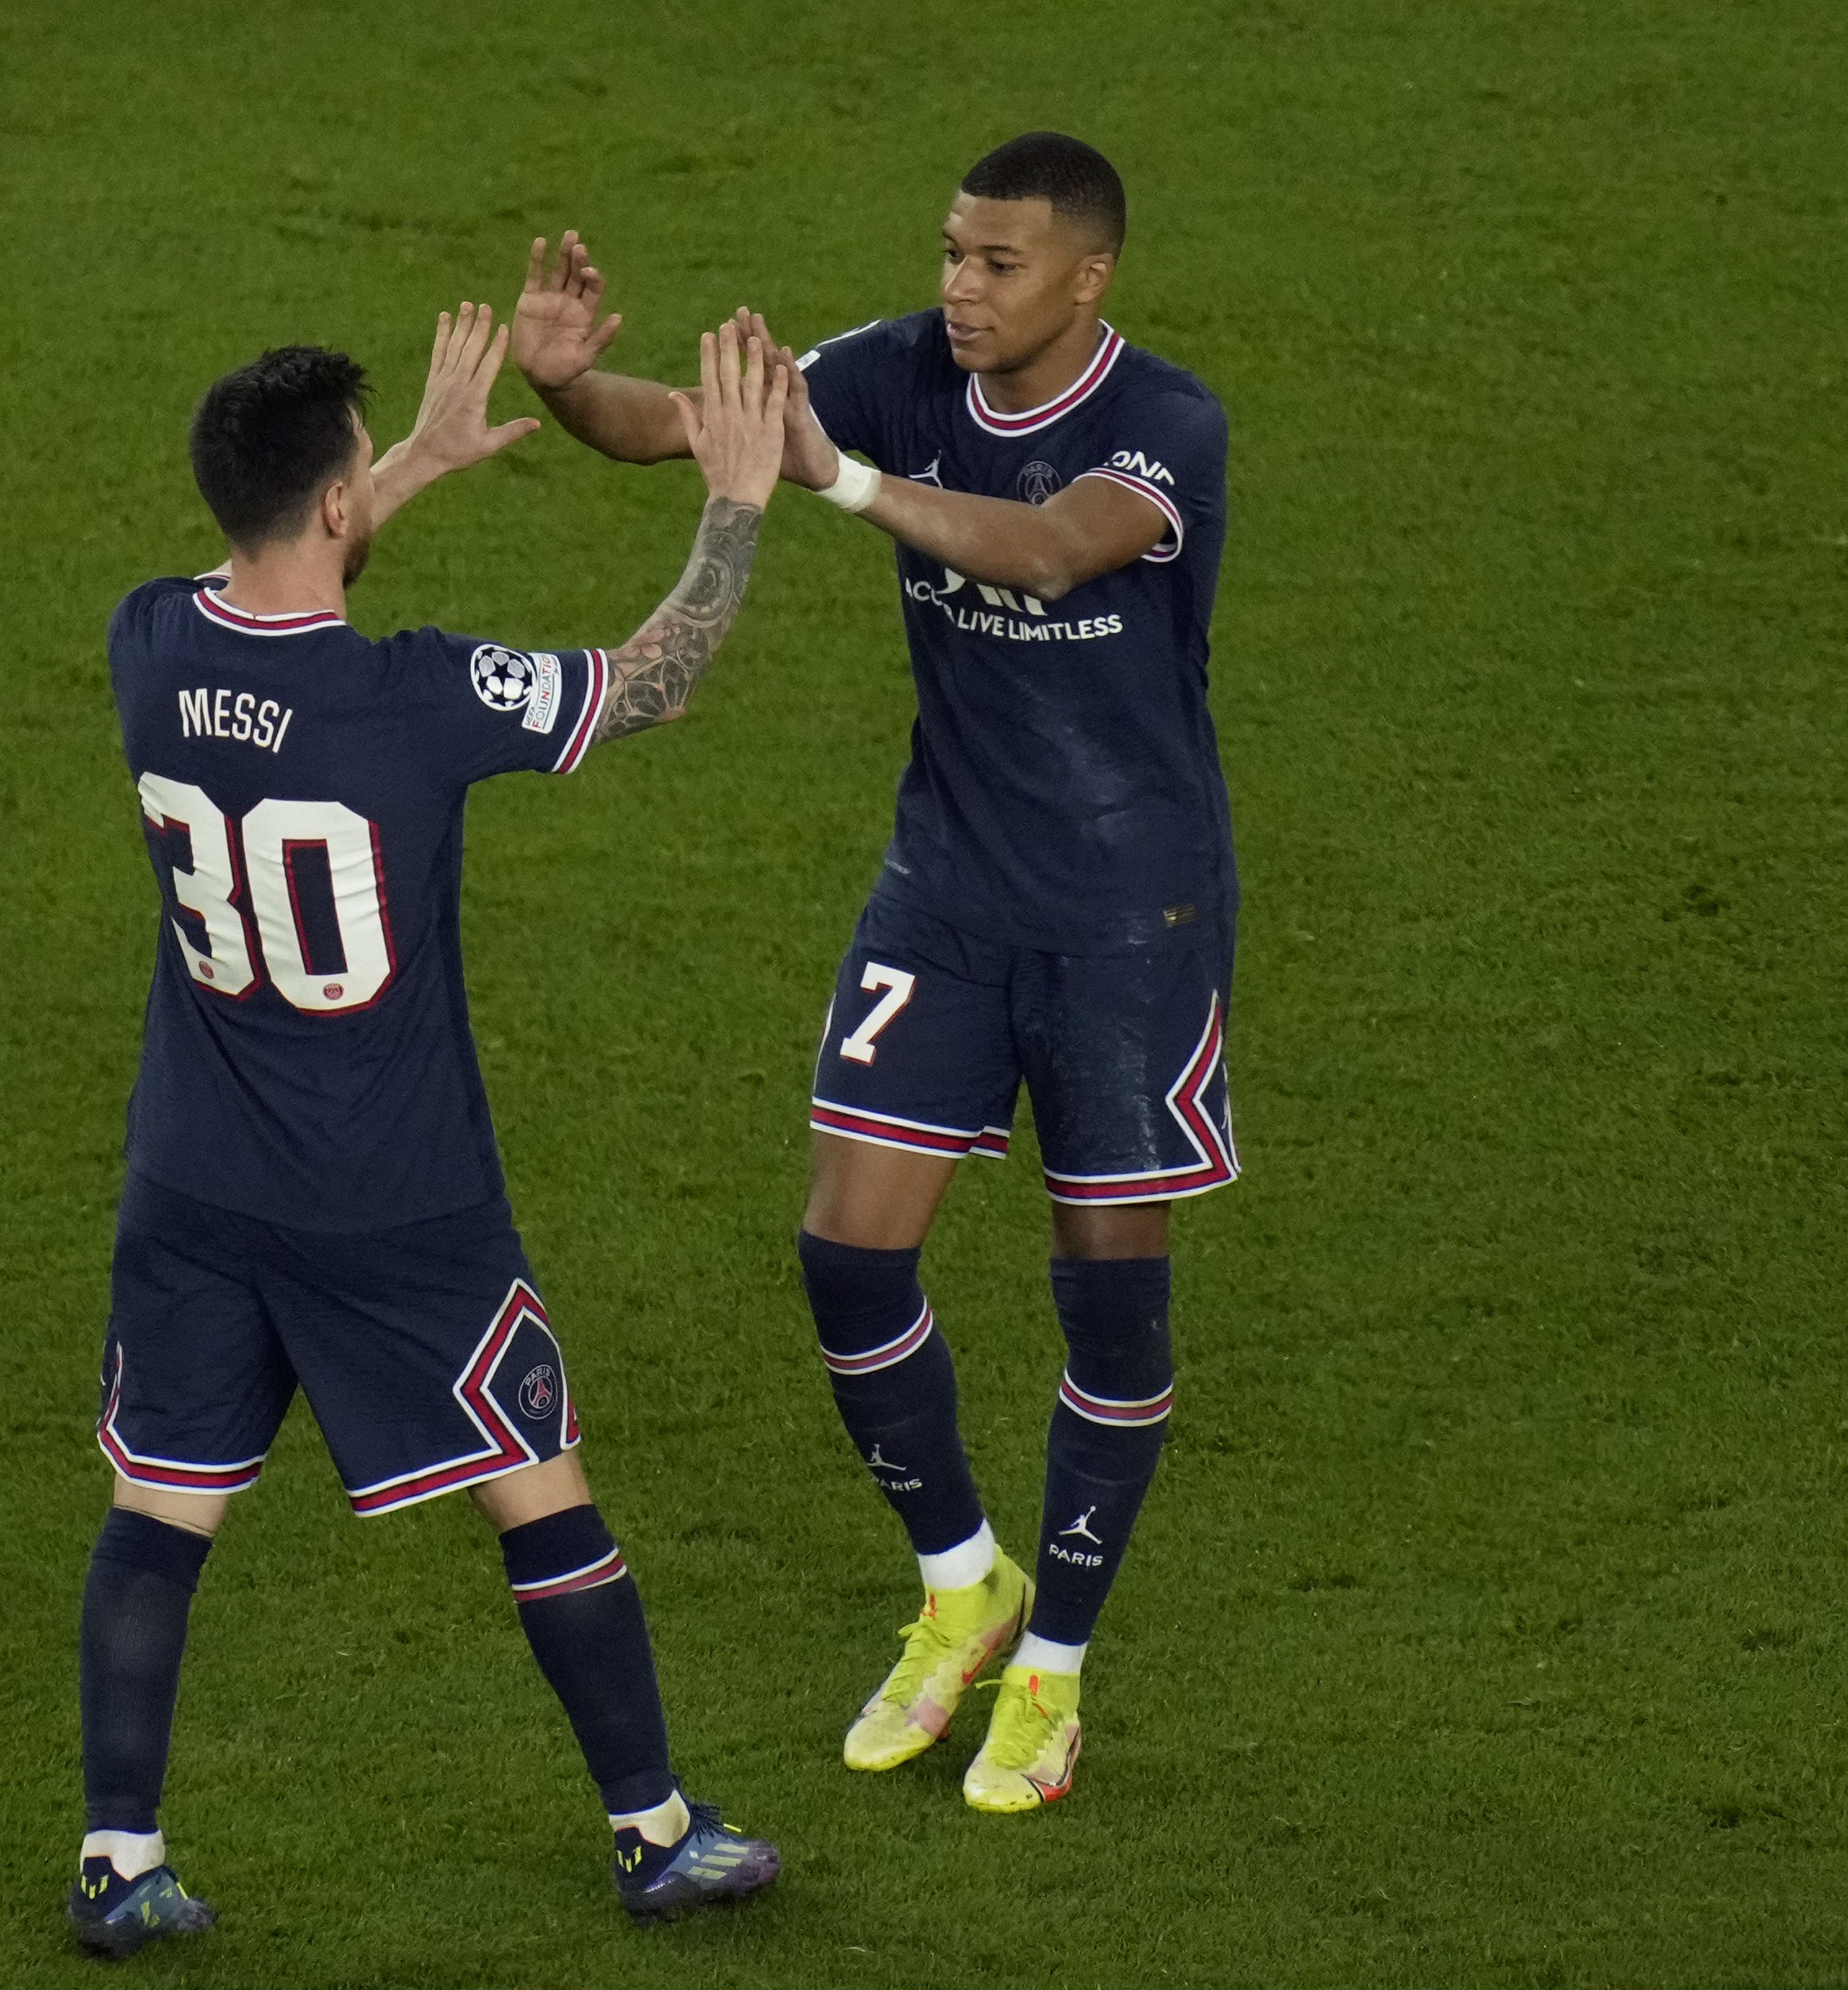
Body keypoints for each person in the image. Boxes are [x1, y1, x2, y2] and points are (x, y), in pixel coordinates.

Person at [510, 131, 1235, 1814]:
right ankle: (965, 1582)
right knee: (847, 1252)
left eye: (999, 264)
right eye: (951, 254)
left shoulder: (1166, 423)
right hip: (949, 893)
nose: (960, 289)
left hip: (1135, 920)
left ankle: (1053, 1677)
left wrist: (838, 485)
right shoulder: (906, 371)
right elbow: (696, 429)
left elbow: (1054, 549)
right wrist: (570, 387)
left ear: (1088, 277)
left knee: (1111, 1298)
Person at [70, 306, 789, 1956]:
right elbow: (650, 683)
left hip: (192, 1182)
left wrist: (422, 461)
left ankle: (119, 1853)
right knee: (546, 1495)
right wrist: (735, 498)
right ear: (338, 503)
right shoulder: (419, 698)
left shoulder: (146, 648)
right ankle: (655, 1827)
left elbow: (287, 568)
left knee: (161, 1506)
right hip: (395, 1202)